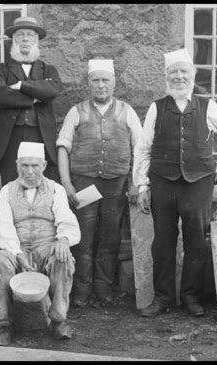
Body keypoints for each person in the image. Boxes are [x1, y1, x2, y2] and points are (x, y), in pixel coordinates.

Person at [133, 48, 217, 317]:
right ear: (166, 77)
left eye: (184, 72)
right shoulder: (156, 108)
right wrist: (143, 187)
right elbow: (143, 148)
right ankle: (163, 298)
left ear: (192, 75)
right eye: (174, 73)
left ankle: (192, 297)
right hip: (163, 184)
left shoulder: (207, 105)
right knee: (162, 242)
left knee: (195, 243)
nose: (179, 77)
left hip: (198, 184)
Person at [57, 59, 143, 307]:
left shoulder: (126, 111)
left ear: (114, 83)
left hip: (115, 186)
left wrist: (136, 182)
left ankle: (103, 288)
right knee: (84, 236)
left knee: (110, 237)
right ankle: (82, 289)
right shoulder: (78, 111)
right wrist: (67, 183)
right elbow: (63, 146)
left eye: (105, 80)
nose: (101, 85)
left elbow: (140, 148)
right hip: (85, 185)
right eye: (96, 80)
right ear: (88, 83)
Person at [0, 142, 80, 346]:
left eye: (34, 166)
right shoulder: (6, 191)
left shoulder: (56, 189)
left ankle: (58, 320)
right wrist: (17, 253)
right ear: (17, 164)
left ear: (44, 165)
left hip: (47, 248)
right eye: (24, 166)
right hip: (17, 249)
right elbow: (3, 227)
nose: (29, 172)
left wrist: (63, 239)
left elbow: (66, 220)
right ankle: (3, 324)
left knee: (63, 258)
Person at [0, 16, 63, 186]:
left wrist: (21, 85)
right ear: (13, 40)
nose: (25, 39)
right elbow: (0, 97)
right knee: (10, 184)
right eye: (20, 35)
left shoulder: (48, 70)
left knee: (41, 184)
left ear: (36, 40)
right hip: (10, 137)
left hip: (40, 135)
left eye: (30, 35)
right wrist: (37, 97)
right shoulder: (0, 69)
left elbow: (53, 90)